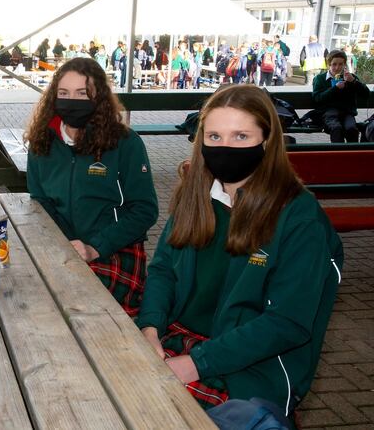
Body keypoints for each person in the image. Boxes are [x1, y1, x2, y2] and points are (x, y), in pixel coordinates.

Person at [137, 85, 342, 424]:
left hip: (250, 367)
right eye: (214, 137)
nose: (225, 147)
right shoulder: (197, 193)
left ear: (266, 141)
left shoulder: (298, 216)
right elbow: (163, 271)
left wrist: (194, 364)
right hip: (181, 339)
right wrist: (149, 328)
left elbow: (287, 323)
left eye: (241, 136)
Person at [25, 57, 158, 316]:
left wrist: (94, 247)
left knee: (82, 309)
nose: (71, 101)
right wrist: (67, 244)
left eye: (81, 93)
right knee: (32, 296)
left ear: (98, 98)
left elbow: (145, 210)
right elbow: (40, 200)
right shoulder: (42, 141)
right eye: (63, 93)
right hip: (63, 245)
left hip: (114, 248)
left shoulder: (125, 143)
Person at [312, 49, 371, 143]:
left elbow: (366, 94)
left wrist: (353, 82)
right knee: (336, 128)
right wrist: (335, 88)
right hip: (328, 113)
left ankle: (353, 154)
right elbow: (317, 99)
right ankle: (338, 155)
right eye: (334, 64)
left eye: (341, 64)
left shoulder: (350, 77)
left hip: (347, 112)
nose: (337, 67)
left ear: (344, 65)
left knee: (351, 129)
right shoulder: (320, 79)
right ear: (329, 65)